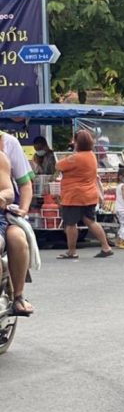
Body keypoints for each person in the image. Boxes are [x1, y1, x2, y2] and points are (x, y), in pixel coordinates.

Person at [55, 130, 114, 259]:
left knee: (70, 224)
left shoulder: (75, 158)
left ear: (77, 142)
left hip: (73, 196)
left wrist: (71, 152)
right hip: (89, 194)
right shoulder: (91, 155)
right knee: (91, 221)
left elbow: (58, 165)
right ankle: (106, 247)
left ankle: (72, 251)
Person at [1, 132, 37, 314]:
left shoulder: (8, 145)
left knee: (16, 238)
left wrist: (23, 209)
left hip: (5, 211)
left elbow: (24, 185)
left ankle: (18, 296)